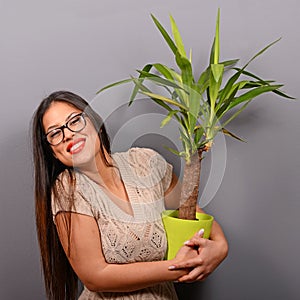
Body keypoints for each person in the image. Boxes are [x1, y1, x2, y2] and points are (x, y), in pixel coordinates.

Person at [32, 90, 228, 300]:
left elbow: (190, 211)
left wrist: (220, 246)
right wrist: (180, 268)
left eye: (74, 121)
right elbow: (95, 276)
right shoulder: (68, 189)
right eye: (55, 133)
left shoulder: (146, 161)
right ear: (52, 151)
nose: (68, 134)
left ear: (94, 121)